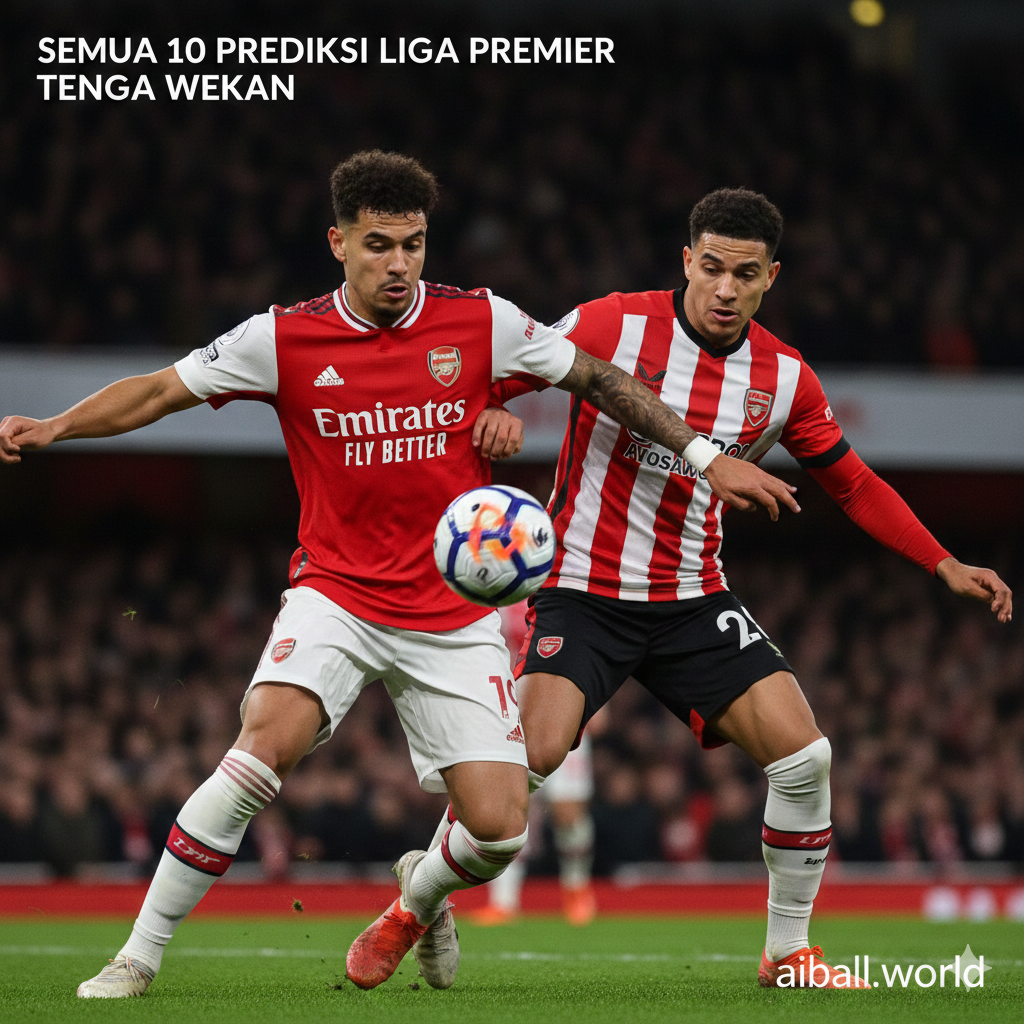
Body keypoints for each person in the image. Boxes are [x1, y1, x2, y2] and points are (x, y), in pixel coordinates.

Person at [0, 155, 798, 998]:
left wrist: (704, 457)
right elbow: (161, 391)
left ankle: (426, 893)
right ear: (337, 241)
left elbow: (596, 376)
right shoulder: (282, 338)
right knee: (262, 747)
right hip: (335, 594)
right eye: (378, 245)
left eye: (413, 245)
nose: (398, 264)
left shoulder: (482, 321)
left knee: (497, 831)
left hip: (452, 611)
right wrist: (56, 428)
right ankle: (138, 954)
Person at [487, 187, 1013, 989]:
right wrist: (496, 409)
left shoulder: (784, 377)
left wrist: (941, 561)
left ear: (772, 276)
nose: (725, 289)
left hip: (694, 596)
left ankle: (788, 953)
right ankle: (417, 902)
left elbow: (854, 483)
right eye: (711, 268)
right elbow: (508, 365)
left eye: (745, 273)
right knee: (527, 764)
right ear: (685, 261)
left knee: (806, 758)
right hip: (582, 587)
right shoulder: (612, 324)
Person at [472, 602, 597, 927]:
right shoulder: (492, 594)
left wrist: (598, 697)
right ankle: (504, 901)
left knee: (568, 811)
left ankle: (577, 889)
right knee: (509, 806)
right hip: (507, 713)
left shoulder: (558, 583)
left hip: (560, 708)